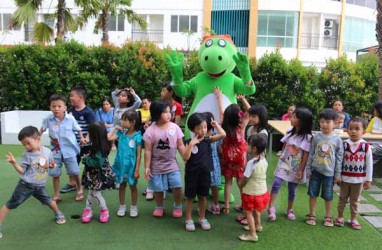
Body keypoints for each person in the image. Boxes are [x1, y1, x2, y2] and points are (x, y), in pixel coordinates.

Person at [0, 126, 66, 239]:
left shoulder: (47, 151)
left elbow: (51, 164)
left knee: (49, 200)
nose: (26, 146)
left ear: (38, 139)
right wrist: (14, 163)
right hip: (25, 185)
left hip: (40, 186)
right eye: (24, 144)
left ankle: (58, 213)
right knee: (11, 204)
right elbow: (22, 171)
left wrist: (51, 165)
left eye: (28, 143)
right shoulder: (26, 155)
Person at [268, 108, 313, 222]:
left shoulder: (308, 138)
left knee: (292, 189)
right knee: (276, 183)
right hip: (284, 163)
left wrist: (301, 170)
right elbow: (285, 146)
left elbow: (306, 155)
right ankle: (271, 207)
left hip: (296, 167)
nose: (291, 119)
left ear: (303, 121)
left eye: (294, 117)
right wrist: (282, 155)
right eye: (291, 116)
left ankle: (289, 209)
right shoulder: (289, 131)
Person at [183, 112, 226, 231]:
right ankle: (189, 219)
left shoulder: (208, 140)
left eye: (205, 127)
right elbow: (185, 158)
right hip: (192, 175)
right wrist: (191, 144)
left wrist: (216, 125)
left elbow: (223, 135)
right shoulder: (188, 142)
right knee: (190, 197)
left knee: (203, 196)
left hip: (205, 174)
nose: (203, 130)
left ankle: (202, 218)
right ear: (193, 129)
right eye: (199, 128)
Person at [143, 100, 186, 218]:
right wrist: (147, 167)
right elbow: (147, 150)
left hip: (172, 163)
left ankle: (177, 205)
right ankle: (159, 206)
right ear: (157, 114)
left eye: (169, 112)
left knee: (177, 185)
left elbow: (181, 145)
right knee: (157, 188)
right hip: (156, 164)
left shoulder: (175, 127)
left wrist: (185, 158)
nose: (169, 114)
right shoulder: (150, 131)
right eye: (165, 112)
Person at [40, 94, 84, 202]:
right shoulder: (48, 119)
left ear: (65, 107)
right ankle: (56, 195)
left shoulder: (70, 118)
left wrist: (82, 138)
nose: (56, 109)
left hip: (69, 150)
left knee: (75, 172)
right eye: (53, 106)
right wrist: (36, 140)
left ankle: (79, 190)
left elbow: (78, 129)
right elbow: (40, 130)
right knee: (55, 173)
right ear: (50, 107)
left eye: (59, 106)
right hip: (55, 152)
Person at [306, 108, 344, 227]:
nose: (324, 124)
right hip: (315, 171)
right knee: (313, 193)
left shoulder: (337, 140)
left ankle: (328, 216)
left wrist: (337, 174)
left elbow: (339, 158)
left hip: (329, 173)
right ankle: (312, 214)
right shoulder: (316, 137)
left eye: (328, 122)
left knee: (328, 196)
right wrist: (308, 169)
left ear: (335, 122)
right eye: (322, 121)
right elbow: (311, 153)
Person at [335, 118, 373, 230]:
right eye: (351, 128)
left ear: (363, 132)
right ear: (347, 130)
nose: (354, 131)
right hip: (344, 179)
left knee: (355, 201)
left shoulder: (366, 146)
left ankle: (353, 219)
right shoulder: (344, 144)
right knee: (342, 199)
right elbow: (339, 161)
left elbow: (369, 164)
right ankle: (340, 217)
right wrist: (337, 176)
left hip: (358, 180)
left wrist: (368, 180)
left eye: (357, 129)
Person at [61, 86, 96, 194]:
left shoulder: (88, 112)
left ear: (80, 97)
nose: (70, 98)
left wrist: (86, 137)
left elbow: (92, 126)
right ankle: (72, 183)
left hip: (86, 144)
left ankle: (92, 182)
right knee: (72, 163)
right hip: (73, 144)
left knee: (89, 163)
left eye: (72, 96)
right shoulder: (70, 111)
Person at [108, 110, 142, 218]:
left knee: (133, 187)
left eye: (125, 120)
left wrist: (136, 170)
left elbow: (139, 155)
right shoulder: (121, 133)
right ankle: (122, 206)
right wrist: (115, 128)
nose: (122, 122)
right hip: (121, 165)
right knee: (122, 186)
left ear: (133, 122)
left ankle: (133, 207)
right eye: (122, 119)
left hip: (131, 167)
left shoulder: (137, 136)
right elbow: (109, 138)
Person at [81, 122, 115, 224]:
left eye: (89, 133)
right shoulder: (100, 143)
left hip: (97, 174)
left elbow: (97, 162)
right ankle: (88, 209)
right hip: (93, 174)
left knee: (95, 193)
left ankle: (104, 210)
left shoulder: (99, 147)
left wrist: (85, 160)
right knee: (91, 192)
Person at [238, 134, 269, 242]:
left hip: (251, 193)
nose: (246, 146)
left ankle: (252, 234)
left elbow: (245, 178)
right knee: (257, 209)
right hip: (261, 191)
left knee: (248, 212)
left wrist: (240, 186)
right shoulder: (264, 159)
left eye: (248, 144)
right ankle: (258, 225)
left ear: (254, 148)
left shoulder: (251, 163)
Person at [220, 104, 249, 214]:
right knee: (240, 182)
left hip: (227, 156)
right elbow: (250, 110)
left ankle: (226, 206)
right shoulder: (241, 126)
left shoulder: (224, 127)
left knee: (228, 181)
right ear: (239, 116)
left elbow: (222, 113)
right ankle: (244, 205)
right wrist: (243, 100)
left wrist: (218, 98)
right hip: (240, 157)